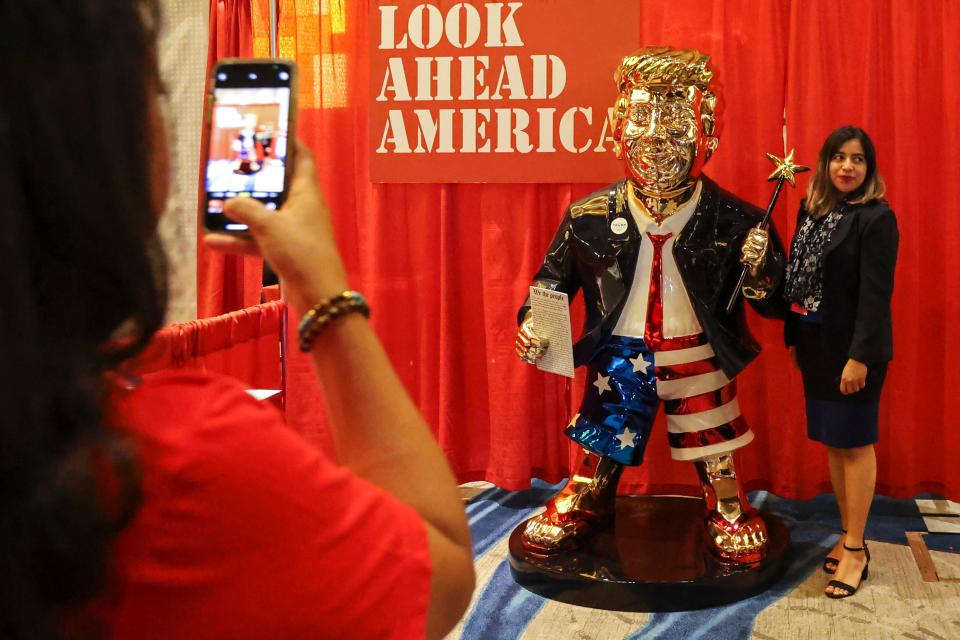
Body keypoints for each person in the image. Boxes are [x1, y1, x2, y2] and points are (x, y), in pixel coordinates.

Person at [0, 1, 473, 638]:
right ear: (90, 153)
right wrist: (324, 288)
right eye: (157, 91)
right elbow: (438, 572)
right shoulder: (175, 465)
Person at [514, 47, 785, 564]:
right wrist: (534, 323)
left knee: (711, 428)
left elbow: (775, 303)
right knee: (604, 421)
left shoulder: (737, 221)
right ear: (616, 127)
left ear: (708, 130)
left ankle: (723, 495)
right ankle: (589, 486)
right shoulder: (588, 216)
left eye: (676, 121)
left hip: (698, 352)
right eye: (642, 117)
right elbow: (550, 282)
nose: (658, 138)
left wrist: (759, 269)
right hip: (620, 352)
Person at [783, 125, 898, 599]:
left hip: (854, 353)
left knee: (855, 443)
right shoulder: (811, 212)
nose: (847, 167)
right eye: (838, 157)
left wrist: (859, 358)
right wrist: (794, 337)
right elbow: (796, 277)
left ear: (868, 168)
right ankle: (850, 535)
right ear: (826, 163)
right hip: (815, 347)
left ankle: (855, 549)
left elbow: (876, 297)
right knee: (834, 443)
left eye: (857, 159)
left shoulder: (876, 218)